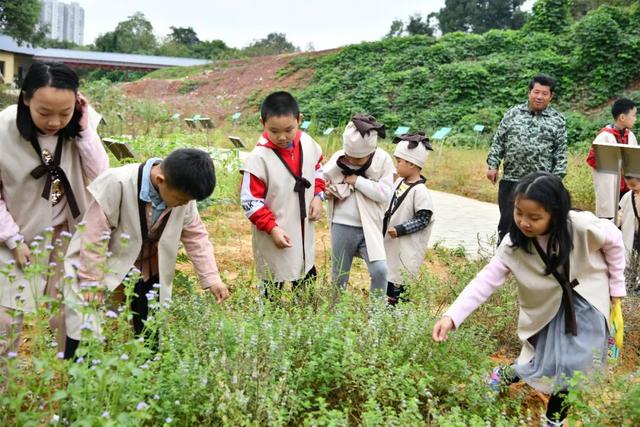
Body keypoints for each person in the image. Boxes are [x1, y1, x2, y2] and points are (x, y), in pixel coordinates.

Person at [432, 172, 625, 427]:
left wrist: (616, 289)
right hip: (547, 309)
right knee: (538, 362)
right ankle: (502, 375)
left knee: (572, 365)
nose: (524, 222)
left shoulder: (579, 226)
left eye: (535, 217)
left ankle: (554, 420)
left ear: (555, 213)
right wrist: (452, 316)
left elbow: (614, 241)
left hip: (586, 301)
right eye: (519, 212)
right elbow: (485, 280)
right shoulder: (514, 244)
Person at [63, 148, 229, 358]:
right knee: (84, 323)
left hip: (146, 267)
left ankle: (146, 376)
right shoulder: (118, 183)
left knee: (149, 325)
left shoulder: (182, 195)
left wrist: (212, 278)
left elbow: (196, 236)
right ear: (160, 180)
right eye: (180, 200)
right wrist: (90, 281)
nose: (184, 205)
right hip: (97, 263)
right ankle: (79, 380)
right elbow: (94, 235)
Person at [0, 62, 108, 361]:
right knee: (5, 320)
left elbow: (102, 178)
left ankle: (80, 390)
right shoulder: (3, 129)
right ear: (25, 99)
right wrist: (13, 240)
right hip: (14, 236)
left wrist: (85, 130)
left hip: (67, 235)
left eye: (65, 112)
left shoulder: (81, 127)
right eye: (45, 112)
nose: (55, 122)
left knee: (71, 316)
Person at [240, 91, 325, 300]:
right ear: (262, 123)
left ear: (299, 120)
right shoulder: (258, 158)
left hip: (303, 226)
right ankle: (269, 319)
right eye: (274, 131)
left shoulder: (307, 143)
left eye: (289, 130)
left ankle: (304, 318)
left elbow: (318, 169)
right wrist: (272, 228)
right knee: (273, 280)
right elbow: (250, 201)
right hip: (275, 230)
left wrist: (318, 196)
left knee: (305, 274)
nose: (282, 137)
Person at [486, 74, 567, 243]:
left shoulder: (557, 121)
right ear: (529, 92)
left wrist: (555, 182)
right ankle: (503, 263)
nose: (539, 97)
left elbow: (560, 154)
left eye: (544, 93)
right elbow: (499, 141)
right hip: (511, 180)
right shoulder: (513, 114)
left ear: (551, 96)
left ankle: (531, 262)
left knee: (535, 224)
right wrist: (493, 165)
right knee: (507, 223)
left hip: (540, 185)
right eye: (536, 92)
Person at [325, 115, 394, 298]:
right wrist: (329, 192)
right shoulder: (338, 158)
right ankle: (334, 313)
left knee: (380, 270)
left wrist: (358, 181)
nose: (353, 162)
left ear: (371, 152)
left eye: (359, 159)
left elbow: (385, 193)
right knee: (339, 275)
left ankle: (376, 315)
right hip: (342, 223)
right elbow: (322, 182)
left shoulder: (383, 160)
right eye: (350, 158)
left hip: (370, 225)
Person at [383, 133, 435, 305]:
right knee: (390, 276)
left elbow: (423, 218)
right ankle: (388, 311)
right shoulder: (399, 182)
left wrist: (400, 229)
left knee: (401, 281)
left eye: (399, 161)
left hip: (406, 247)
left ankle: (398, 315)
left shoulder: (420, 192)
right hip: (393, 245)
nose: (396, 165)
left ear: (412, 164)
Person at [586, 98, 638, 219]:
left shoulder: (630, 135)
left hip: (628, 188)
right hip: (611, 189)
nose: (635, 118)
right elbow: (592, 160)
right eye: (634, 115)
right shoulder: (604, 136)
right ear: (622, 117)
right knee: (610, 222)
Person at [618, 174, 640, 295]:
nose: (630, 188)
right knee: (630, 260)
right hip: (632, 234)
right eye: (628, 185)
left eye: (633, 185)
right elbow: (621, 214)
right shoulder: (628, 196)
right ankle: (630, 286)